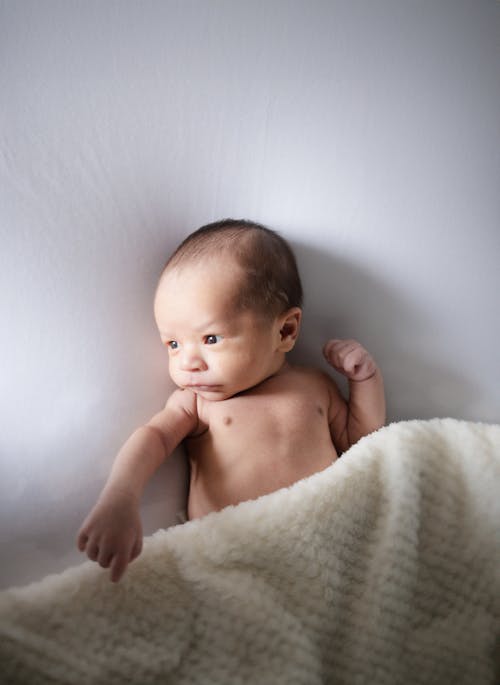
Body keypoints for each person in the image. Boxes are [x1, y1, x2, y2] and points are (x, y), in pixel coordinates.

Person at [77, 219, 385, 582]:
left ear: (285, 331)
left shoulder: (314, 386)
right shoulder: (194, 404)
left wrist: (364, 380)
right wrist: (121, 498)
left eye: (210, 339)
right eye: (173, 344)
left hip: (324, 545)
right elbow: (152, 439)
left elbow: (362, 444)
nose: (187, 361)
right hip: (235, 560)